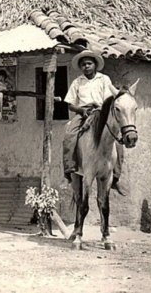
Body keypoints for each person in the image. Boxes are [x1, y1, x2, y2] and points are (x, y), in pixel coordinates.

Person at [62, 50, 125, 195]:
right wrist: (81, 111)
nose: (86, 66)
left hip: (101, 111)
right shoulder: (77, 82)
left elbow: (109, 100)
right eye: (83, 64)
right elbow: (70, 104)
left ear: (95, 65)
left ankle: (115, 177)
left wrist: (100, 112)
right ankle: (69, 171)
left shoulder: (104, 79)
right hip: (83, 112)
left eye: (89, 63)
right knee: (69, 135)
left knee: (116, 140)